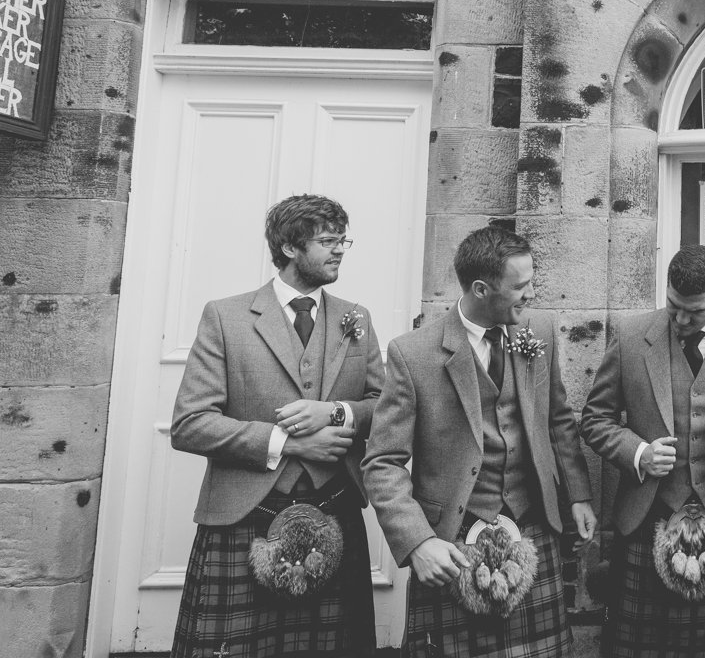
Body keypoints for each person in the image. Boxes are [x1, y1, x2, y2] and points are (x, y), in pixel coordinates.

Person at [362, 225, 596, 658]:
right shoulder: (413, 354)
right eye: (520, 286)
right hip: (452, 539)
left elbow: (558, 420)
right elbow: (383, 463)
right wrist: (417, 541)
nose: (530, 294)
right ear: (482, 289)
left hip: (532, 525)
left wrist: (579, 494)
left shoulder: (538, 329)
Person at [170, 194, 382, 658]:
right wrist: (287, 442)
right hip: (246, 514)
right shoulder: (225, 317)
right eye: (327, 240)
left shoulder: (357, 318)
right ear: (289, 247)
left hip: (335, 507)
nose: (340, 249)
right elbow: (189, 423)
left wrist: (337, 413)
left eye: (343, 239)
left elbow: (383, 405)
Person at [581, 244, 705, 657]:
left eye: (693, 311)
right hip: (648, 519)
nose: (680, 319)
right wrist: (639, 453)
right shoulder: (631, 335)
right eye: (673, 305)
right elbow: (594, 419)